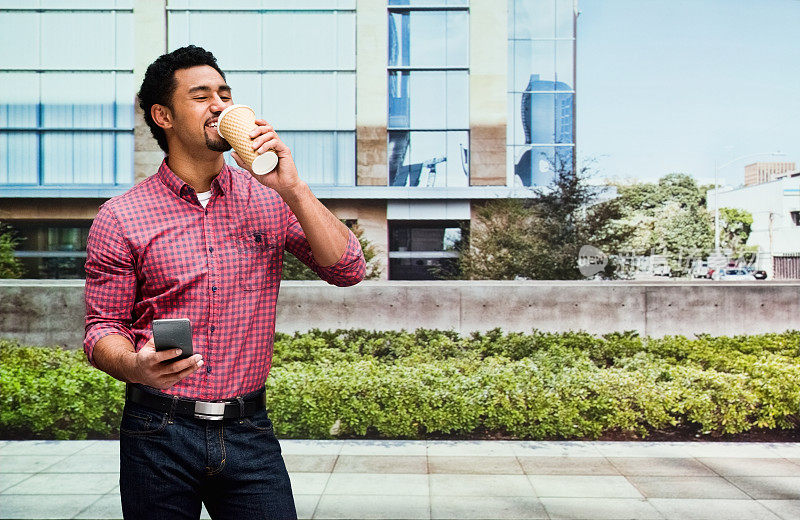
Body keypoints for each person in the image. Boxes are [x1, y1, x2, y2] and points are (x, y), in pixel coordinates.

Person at [83, 45, 366, 519]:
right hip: (158, 431)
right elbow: (101, 329)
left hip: (249, 431)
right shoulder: (121, 217)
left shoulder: (269, 197)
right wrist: (136, 365)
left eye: (225, 93)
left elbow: (348, 269)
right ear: (163, 115)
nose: (220, 105)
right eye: (201, 95)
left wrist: (293, 189)